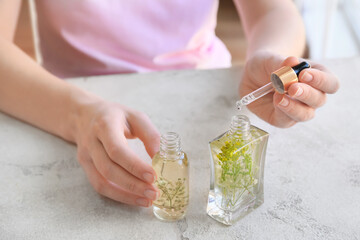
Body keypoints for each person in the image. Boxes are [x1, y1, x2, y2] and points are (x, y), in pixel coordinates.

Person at [0, 0, 339, 207]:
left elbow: (274, 9)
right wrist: (77, 114)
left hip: (204, 87)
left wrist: (272, 60)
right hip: (69, 92)